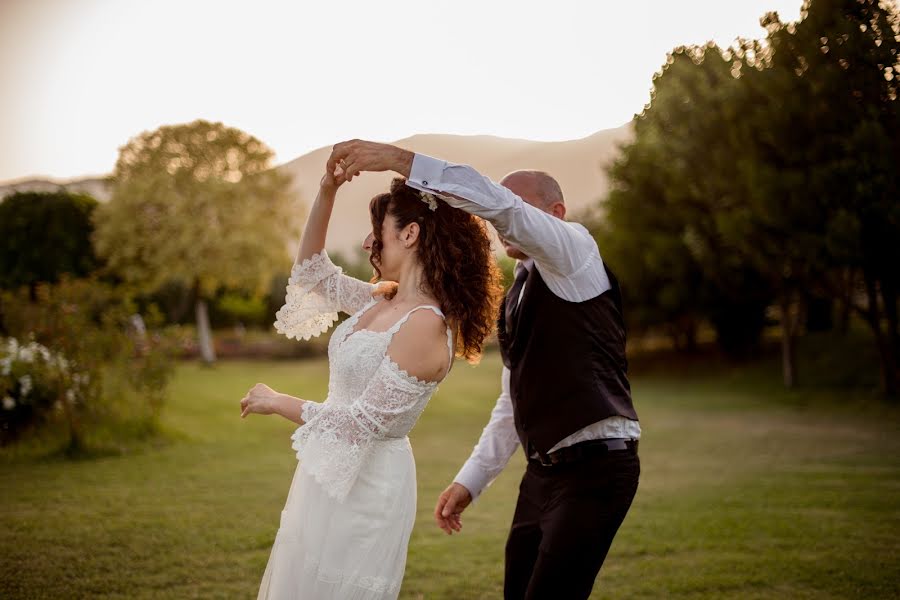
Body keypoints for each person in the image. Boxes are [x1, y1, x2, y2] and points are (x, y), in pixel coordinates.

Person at [328, 139, 642, 599]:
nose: (502, 220)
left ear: (555, 212)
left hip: (598, 467)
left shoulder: (576, 252)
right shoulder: (519, 292)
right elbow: (512, 402)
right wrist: (469, 482)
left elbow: (503, 208)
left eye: (521, 206)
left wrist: (400, 162)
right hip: (543, 474)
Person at [239, 161, 503, 599]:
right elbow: (311, 274)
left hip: (370, 487)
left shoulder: (425, 326)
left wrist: (276, 400)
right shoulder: (382, 297)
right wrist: (327, 191)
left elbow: (357, 425)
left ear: (410, 234)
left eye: (375, 230)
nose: (366, 242)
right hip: (325, 472)